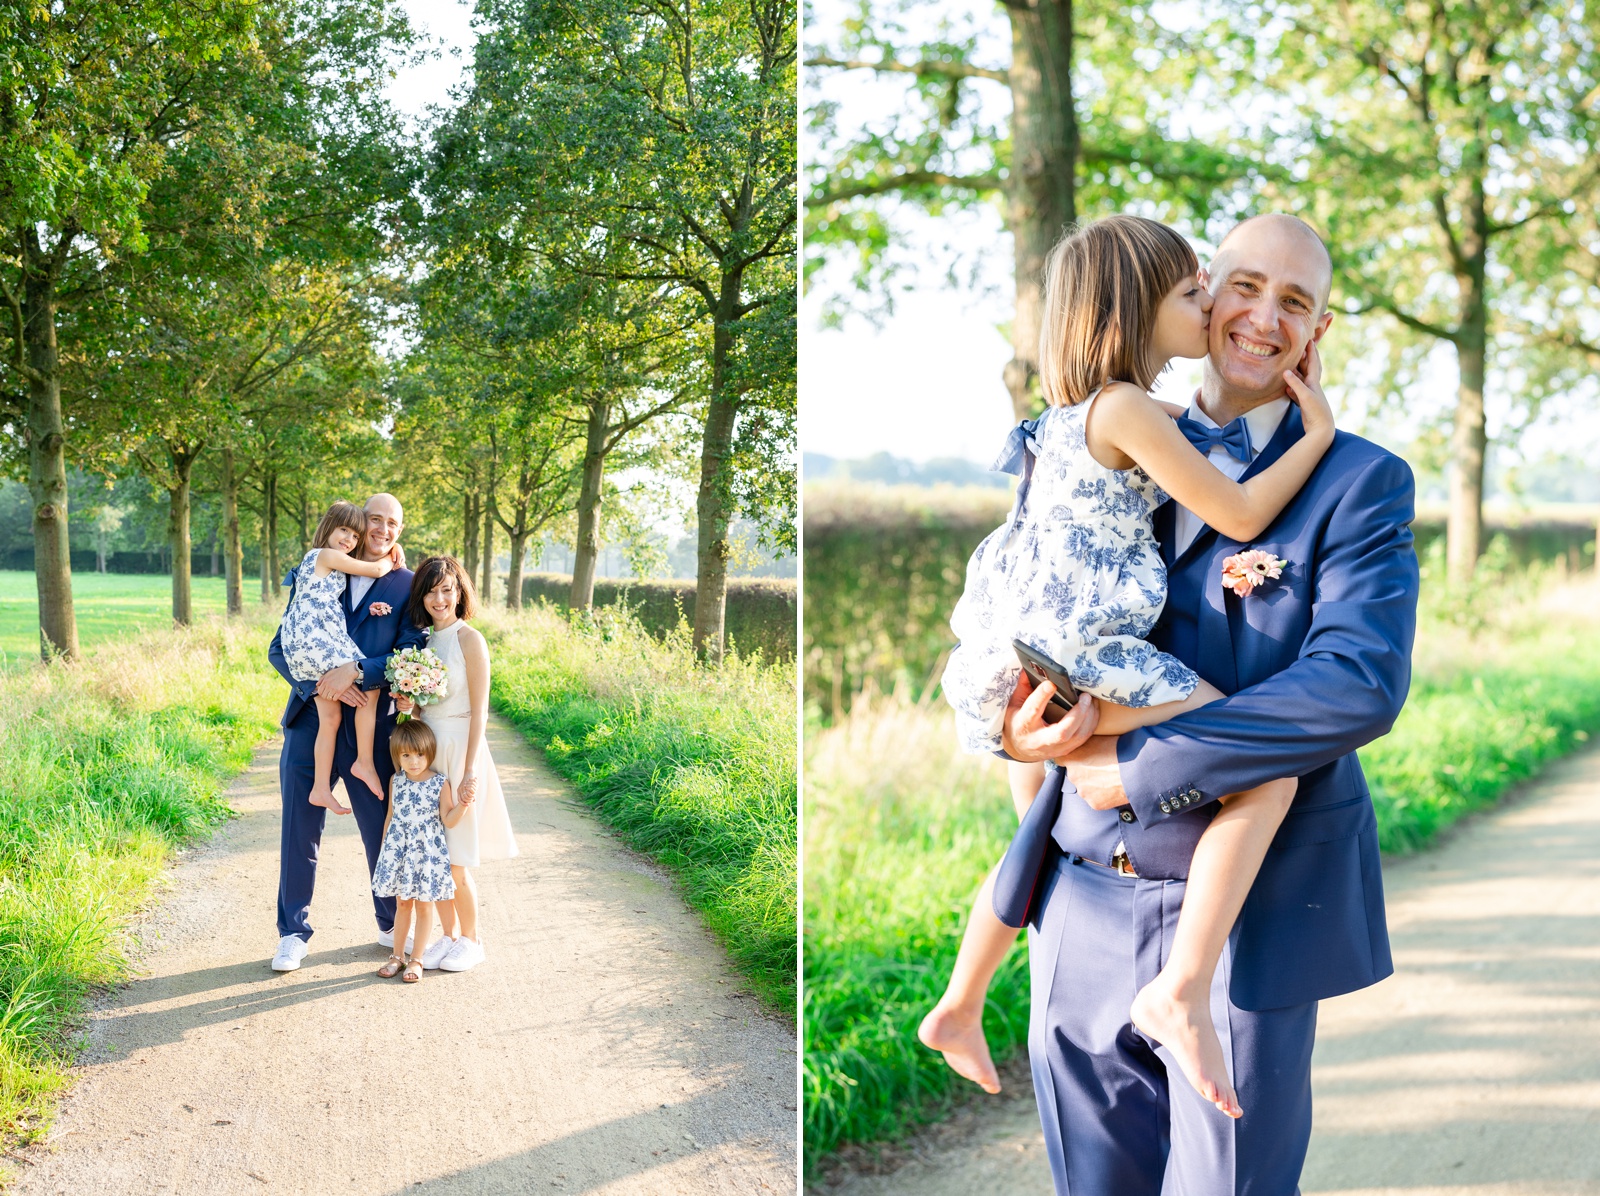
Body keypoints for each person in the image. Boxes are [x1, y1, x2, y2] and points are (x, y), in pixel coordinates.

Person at [994, 213, 1417, 1192]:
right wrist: (1018, 727)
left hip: (1247, 915)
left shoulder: (1358, 481)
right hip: (1079, 898)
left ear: (1317, 332)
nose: (1263, 317)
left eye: (1296, 301)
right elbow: (1029, 610)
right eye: (1243, 285)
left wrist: (1143, 765)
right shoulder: (1110, 433)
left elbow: (1355, 681)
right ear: (1198, 291)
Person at [925, 214, 1337, 1118]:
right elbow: (1233, 514)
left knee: (1031, 823)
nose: (1210, 307)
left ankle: (961, 1000)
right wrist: (1314, 435)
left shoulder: (1070, 422)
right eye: (1197, 292)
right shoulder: (1129, 411)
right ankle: (1182, 989)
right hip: (1087, 652)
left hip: (1033, 648)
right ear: (1138, 309)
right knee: (1263, 768)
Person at [266, 494, 427, 973]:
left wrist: (356, 671)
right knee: (298, 831)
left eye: (392, 523)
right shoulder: (320, 571)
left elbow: (408, 654)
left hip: (369, 732)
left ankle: (386, 922)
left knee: (378, 830)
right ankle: (292, 933)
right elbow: (281, 645)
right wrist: (317, 686)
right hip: (311, 720)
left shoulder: (407, 585)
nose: (382, 529)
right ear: (360, 523)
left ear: (400, 529)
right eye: (374, 519)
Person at [394, 555, 518, 974]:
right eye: (430, 590)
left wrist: (470, 770)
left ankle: (472, 939)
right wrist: (409, 706)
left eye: (447, 589)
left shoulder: (470, 639)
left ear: (460, 591)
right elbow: (423, 712)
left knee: (456, 859)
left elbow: (480, 712)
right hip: (431, 755)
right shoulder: (425, 644)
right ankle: (447, 938)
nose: (439, 598)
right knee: (435, 856)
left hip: (462, 750)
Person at [277, 501, 402, 816]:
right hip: (313, 639)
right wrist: (392, 554)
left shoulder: (334, 565)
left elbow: (344, 609)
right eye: (343, 530)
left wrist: (375, 609)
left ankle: (320, 789)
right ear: (327, 527)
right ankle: (364, 761)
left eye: (355, 536)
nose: (349, 539)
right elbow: (375, 570)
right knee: (368, 683)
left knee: (329, 719)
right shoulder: (326, 555)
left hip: (306, 644)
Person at [372, 720, 464, 983]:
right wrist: (384, 852)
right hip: (399, 851)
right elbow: (390, 817)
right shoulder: (396, 780)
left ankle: (418, 959)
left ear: (430, 752)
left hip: (425, 855)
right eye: (406, 755)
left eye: (420, 754)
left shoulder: (439, 783)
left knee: (424, 906)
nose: (413, 761)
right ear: (397, 756)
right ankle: (397, 956)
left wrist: (465, 804)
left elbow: (448, 819)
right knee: (402, 903)